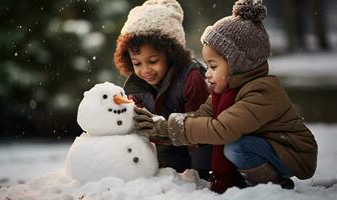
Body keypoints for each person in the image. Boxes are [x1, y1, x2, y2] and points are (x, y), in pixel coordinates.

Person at [133, 0, 318, 193]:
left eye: (213, 66)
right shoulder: (226, 92)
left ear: (237, 64)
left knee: (235, 147)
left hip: (292, 152)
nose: (207, 72)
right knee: (236, 145)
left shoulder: (261, 92)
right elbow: (201, 116)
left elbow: (222, 129)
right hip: (267, 146)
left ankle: (273, 185)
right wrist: (162, 128)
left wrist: (170, 127)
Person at [113, 0, 211, 180]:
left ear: (171, 53)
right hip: (166, 150)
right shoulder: (136, 87)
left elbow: (201, 127)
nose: (145, 70)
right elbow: (140, 129)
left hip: (199, 148)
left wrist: (202, 173)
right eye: (137, 63)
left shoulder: (191, 78)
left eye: (152, 61)